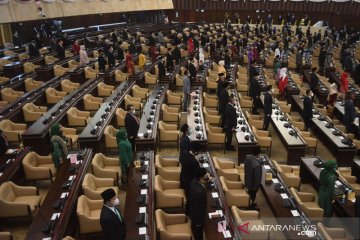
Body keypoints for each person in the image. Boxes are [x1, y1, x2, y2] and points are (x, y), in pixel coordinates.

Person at [179, 143, 201, 214]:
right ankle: (188, 212)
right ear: (196, 152)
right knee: (190, 197)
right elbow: (198, 173)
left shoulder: (184, 153)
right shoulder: (194, 162)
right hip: (190, 182)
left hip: (182, 177)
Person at [189, 168, 208, 240]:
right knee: (198, 233)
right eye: (205, 174)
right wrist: (200, 222)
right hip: (197, 218)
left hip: (193, 213)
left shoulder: (194, 181)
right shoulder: (199, 193)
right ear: (201, 177)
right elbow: (198, 209)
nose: (207, 175)